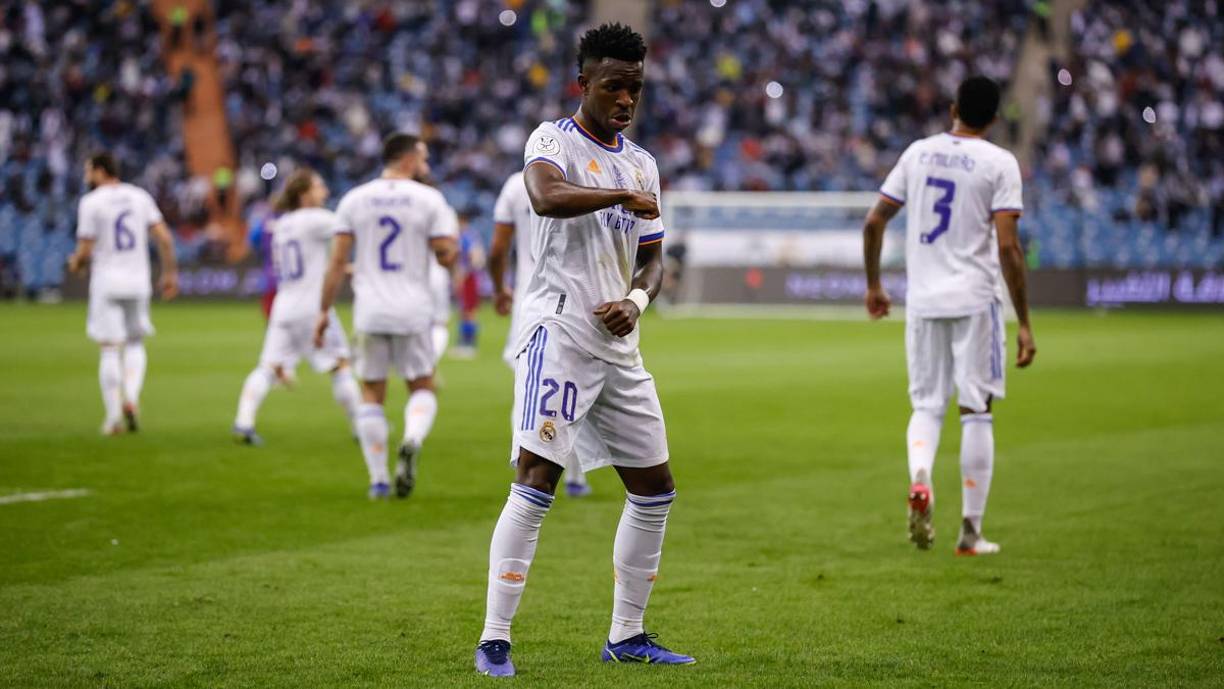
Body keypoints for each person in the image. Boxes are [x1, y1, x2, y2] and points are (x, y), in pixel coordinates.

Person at [474, 23, 693, 677]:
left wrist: (639, 301)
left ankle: (626, 635)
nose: (626, 98)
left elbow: (652, 262)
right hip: (559, 331)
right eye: (614, 86)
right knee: (537, 475)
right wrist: (618, 193)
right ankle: (494, 638)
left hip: (617, 344)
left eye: (636, 87)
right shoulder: (553, 140)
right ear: (585, 84)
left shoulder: (643, 161)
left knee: (655, 489)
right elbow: (544, 197)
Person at [861, 76, 1037, 556]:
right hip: (975, 301)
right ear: (996, 118)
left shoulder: (918, 152)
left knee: (926, 406)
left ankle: (921, 475)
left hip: (924, 301)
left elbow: (874, 219)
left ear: (953, 107)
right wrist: (1023, 321)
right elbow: (1007, 246)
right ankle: (970, 532)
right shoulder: (1000, 162)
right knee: (976, 409)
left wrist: (875, 285)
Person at [315, 133, 459, 500]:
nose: (426, 167)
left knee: (372, 394)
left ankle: (378, 480)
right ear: (409, 160)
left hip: (370, 310)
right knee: (421, 387)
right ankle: (411, 439)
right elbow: (445, 254)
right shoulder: (429, 199)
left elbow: (335, 262)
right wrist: (445, 250)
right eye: (423, 159)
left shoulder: (354, 199)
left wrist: (322, 311)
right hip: (413, 310)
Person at [231, 169, 361, 446]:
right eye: (319, 186)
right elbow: (352, 228)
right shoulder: (315, 219)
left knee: (267, 367)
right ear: (304, 195)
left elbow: (310, 264)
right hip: (311, 306)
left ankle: (244, 422)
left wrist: (344, 268)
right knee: (340, 365)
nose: (325, 191)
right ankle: (362, 426)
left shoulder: (282, 224)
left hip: (284, 305)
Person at [489, 170, 591, 498]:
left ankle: (525, 462)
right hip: (580, 300)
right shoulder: (585, 178)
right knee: (576, 390)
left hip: (531, 300)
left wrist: (499, 289)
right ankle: (575, 476)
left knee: (528, 387)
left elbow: (498, 249)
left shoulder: (514, 184)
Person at [68, 152, 178, 435]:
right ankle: (131, 395)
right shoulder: (139, 196)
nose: (85, 176)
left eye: (88, 170)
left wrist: (76, 263)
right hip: (138, 281)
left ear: (100, 171)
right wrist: (169, 273)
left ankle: (114, 417)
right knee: (135, 342)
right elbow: (164, 237)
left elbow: (85, 249)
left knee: (108, 348)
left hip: (107, 282)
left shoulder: (91, 203)